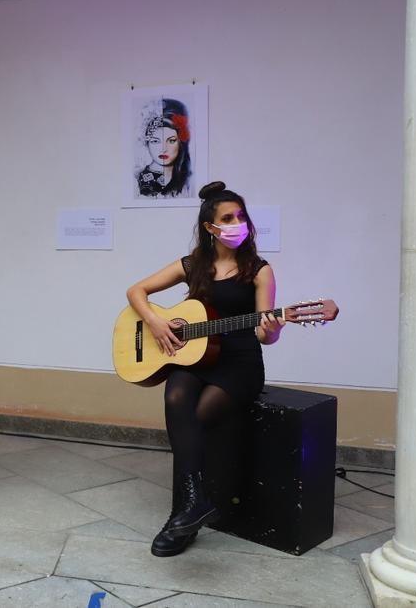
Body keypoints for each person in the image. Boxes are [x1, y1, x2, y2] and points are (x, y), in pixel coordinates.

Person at [125, 181, 284, 557]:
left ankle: (181, 518)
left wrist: (271, 329)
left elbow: (266, 336)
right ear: (210, 227)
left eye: (241, 216)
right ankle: (189, 511)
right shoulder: (192, 264)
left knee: (194, 416)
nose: (237, 223)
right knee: (176, 393)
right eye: (227, 218)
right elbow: (136, 291)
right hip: (197, 358)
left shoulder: (259, 271)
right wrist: (156, 322)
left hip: (240, 365)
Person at [135, 98, 193, 198]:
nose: (163, 149)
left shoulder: (188, 179)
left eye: (171, 141)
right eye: (155, 141)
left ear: (180, 143)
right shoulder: (136, 180)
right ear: (147, 143)